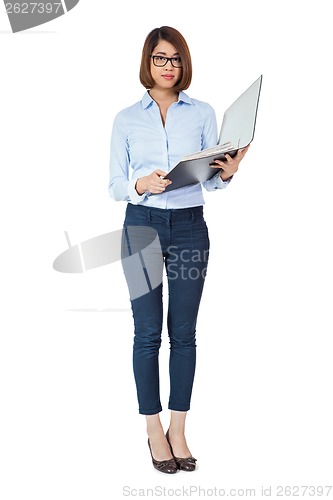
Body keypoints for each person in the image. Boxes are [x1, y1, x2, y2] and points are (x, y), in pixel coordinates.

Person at [108, 26, 249, 474]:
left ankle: (179, 428)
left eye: (175, 59)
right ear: (147, 62)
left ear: (184, 64)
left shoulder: (203, 112)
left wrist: (227, 171)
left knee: (183, 333)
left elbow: (209, 180)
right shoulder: (127, 119)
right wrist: (140, 183)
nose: (168, 66)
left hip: (189, 227)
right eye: (160, 58)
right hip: (142, 227)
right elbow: (113, 184)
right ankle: (153, 430)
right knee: (147, 332)